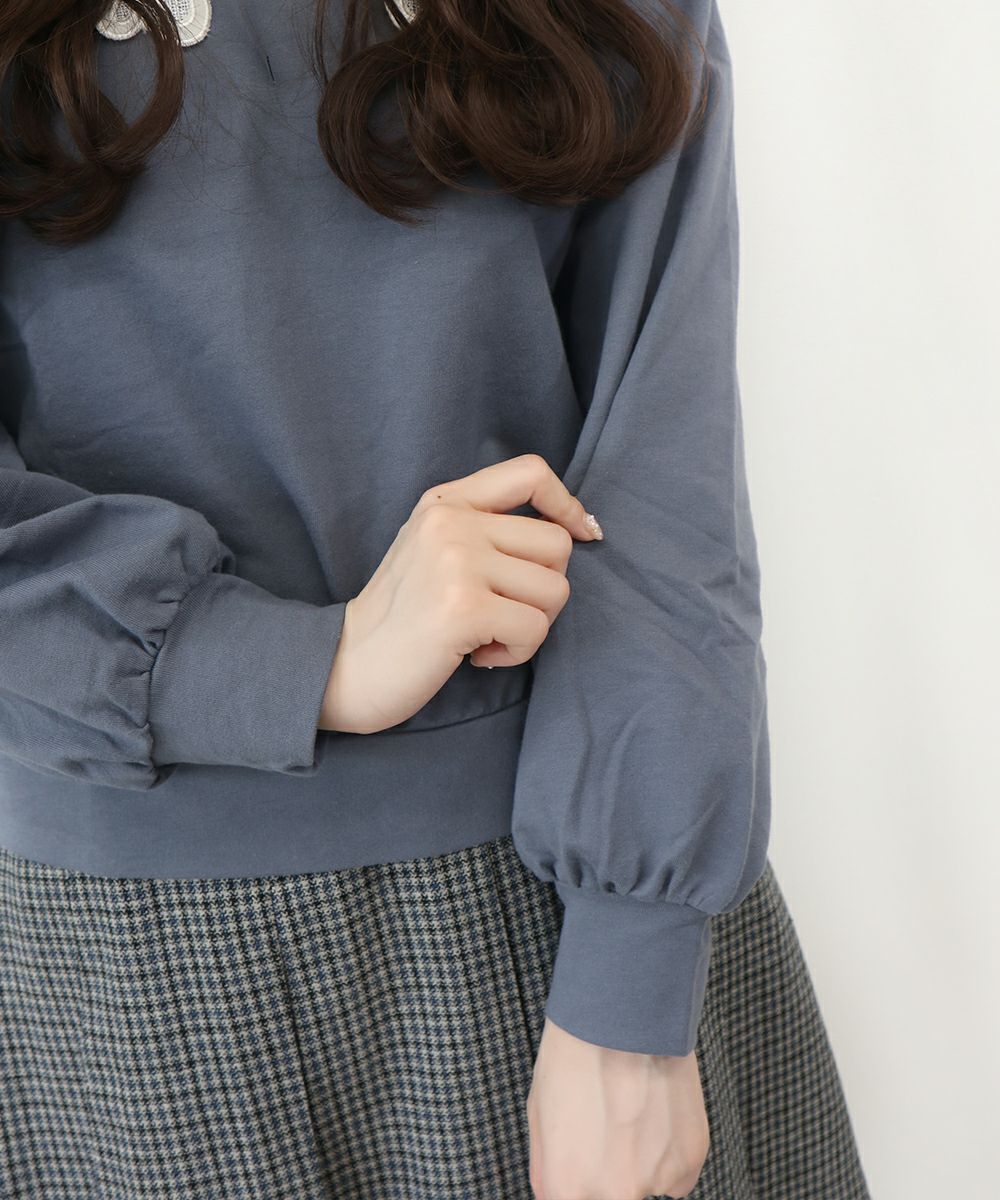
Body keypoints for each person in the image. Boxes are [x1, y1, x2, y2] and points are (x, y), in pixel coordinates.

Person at [0, 0, 872, 1196]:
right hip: (123, 970)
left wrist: (631, 973)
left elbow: (664, 464)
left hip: (555, 920)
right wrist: (296, 662)